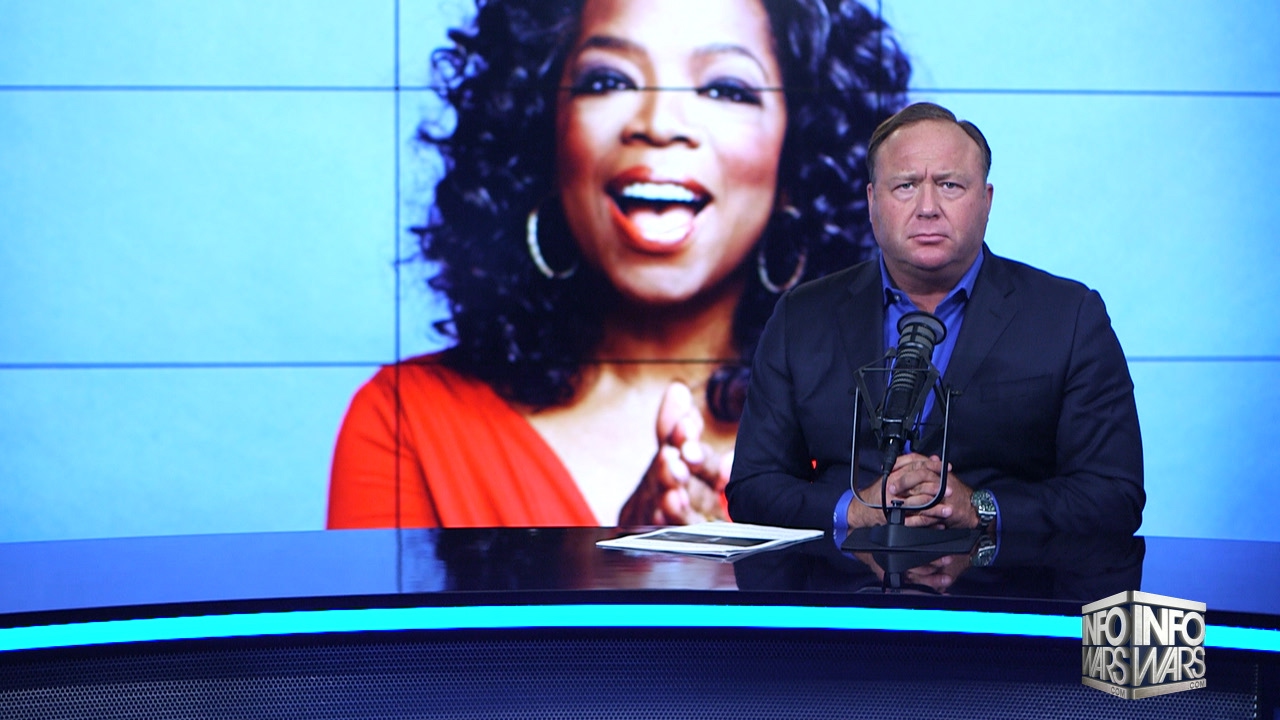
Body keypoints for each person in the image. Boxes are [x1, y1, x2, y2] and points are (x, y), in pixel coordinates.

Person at [327, 0, 911, 529]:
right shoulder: (407, 424)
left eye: (725, 89)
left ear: (798, 153)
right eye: (608, 80)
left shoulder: (884, 423)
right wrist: (628, 571)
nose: (658, 124)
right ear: (544, 133)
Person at [726, 102, 1145, 535]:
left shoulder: (1068, 317)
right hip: (844, 576)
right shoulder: (802, 317)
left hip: (1005, 575)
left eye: (949, 185)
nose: (927, 207)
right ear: (872, 202)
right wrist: (855, 510)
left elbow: (1114, 494)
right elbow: (753, 487)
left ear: (986, 201)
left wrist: (980, 509)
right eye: (905, 186)